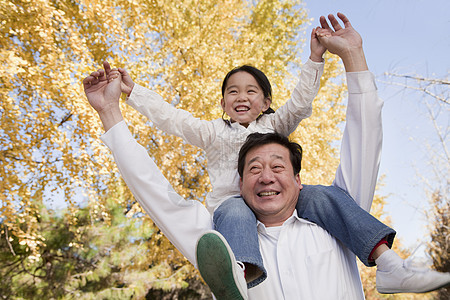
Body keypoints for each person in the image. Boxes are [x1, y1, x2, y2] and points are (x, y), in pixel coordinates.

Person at [83, 12, 450, 299]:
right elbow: (167, 135)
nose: (267, 175)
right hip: (229, 212)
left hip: (321, 202)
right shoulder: (216, 239)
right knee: (231, 211)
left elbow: (327, 115)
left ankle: (386, 261)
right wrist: (122, 103)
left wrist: (329, 58)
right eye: (254, 168)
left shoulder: (333, 215)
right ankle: (241, 279)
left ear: (296, 176)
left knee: (327, 195)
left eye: (278, 166)